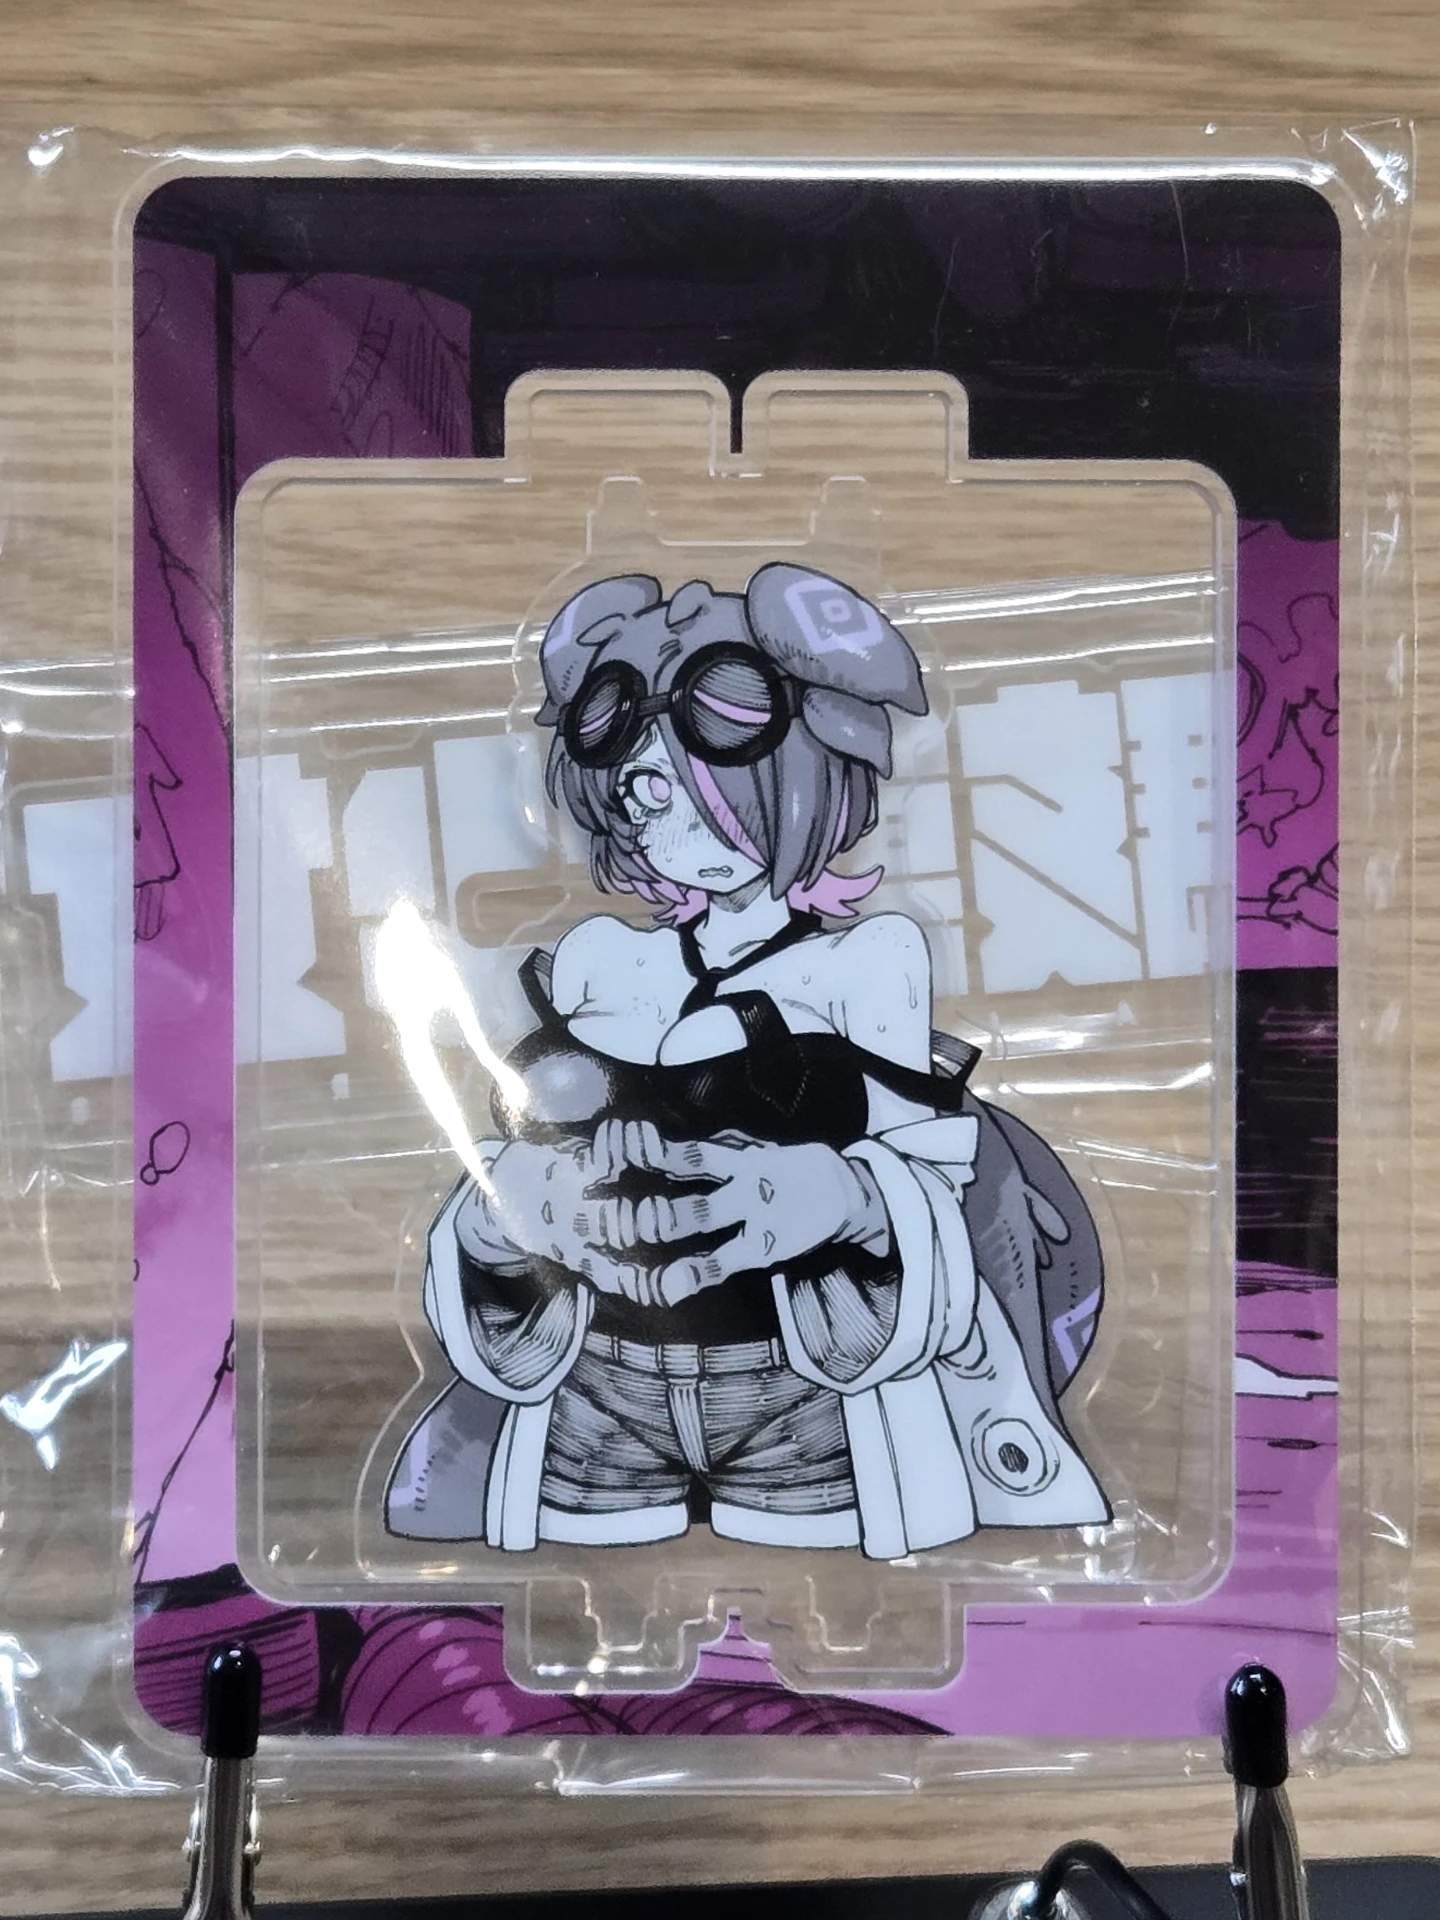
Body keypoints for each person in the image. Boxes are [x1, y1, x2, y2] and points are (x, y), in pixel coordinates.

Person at [385, 564, 1110, 1558]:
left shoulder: (868, 963)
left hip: (803, 1393)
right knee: (580, 1589)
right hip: (594, 1389)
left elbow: (942, 1192)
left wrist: (839, 1199)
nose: (654, 815)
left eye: (690, 786)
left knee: (849, 1587)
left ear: (805, 779)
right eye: (640, 787)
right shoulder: (598, 961)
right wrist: (506, 1211)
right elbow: (508, 1164)